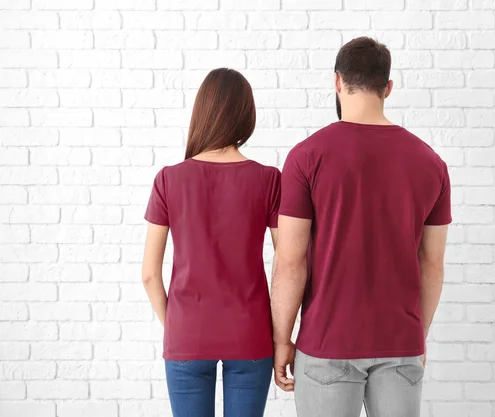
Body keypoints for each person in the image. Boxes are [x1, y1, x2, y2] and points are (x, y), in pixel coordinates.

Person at [271, 37, 452, 417]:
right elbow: (431, 263)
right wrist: (417, 335)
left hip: (326, 342)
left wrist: (282, 338)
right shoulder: (431, 163)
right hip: (400, 341)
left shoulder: (306, 157)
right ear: (388, 87)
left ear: (337, 82)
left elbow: (290, 261)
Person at [141, 68, 280, 417]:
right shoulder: (268, 180)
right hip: (250, 334)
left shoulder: (169, 179)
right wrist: (283, 335)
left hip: (188, 334)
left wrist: (177, 323)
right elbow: (289, 263)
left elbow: (149, 274)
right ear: (246, 116)